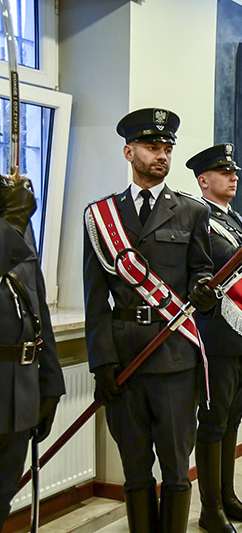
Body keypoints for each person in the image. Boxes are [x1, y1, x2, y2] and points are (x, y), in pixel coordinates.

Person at [84, 108, 216, 532]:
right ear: (129, 152)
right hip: (125, 361)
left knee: (177, 469)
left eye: (167, 148)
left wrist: (204, 289)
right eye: (151, 147)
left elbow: (202, 270)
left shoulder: (192, 212)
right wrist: (101, 362)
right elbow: (94, 299)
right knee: (135, 468)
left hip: (175, 357)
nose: (161, 155)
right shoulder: (101, 217)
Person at [189, 144, 242, 532]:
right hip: (218, 338)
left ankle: (226, 496)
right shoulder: (199, 219)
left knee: (231, 421)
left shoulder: (236, 219)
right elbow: (235, 263)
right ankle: (211, 508)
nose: (234, 177)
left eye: (235, 171)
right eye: (224, 173)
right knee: (213, 422)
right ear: (204, 180)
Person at [0, 178, 65, 529]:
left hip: (18, 389)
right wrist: (10, 222)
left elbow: (37, 308)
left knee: (4, 491)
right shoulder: (10, 221)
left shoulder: (13, 219)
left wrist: (50, 383)